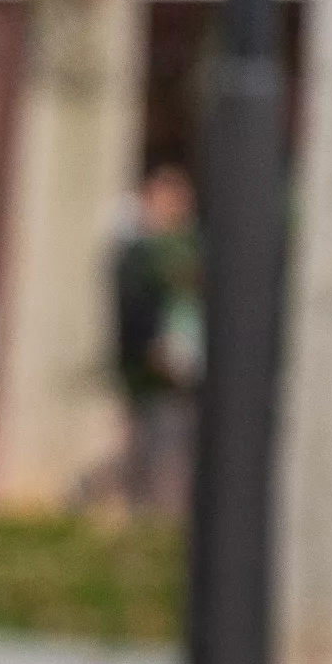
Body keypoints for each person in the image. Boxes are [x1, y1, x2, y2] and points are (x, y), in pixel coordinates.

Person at [110, 161, 202, 516]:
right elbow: (129, 309)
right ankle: (148, 518)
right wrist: (151, 349)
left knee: (173, 451)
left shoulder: (186, 248)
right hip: (150, 373)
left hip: (184, 371)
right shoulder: (136, 252)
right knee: (153, 452)